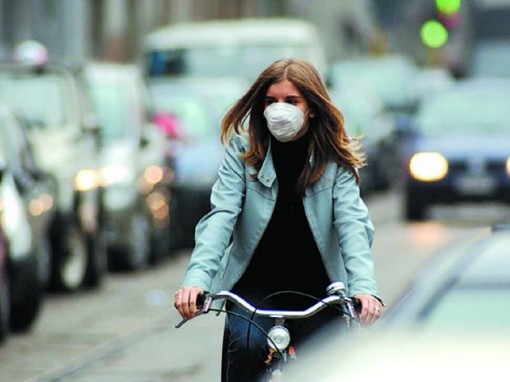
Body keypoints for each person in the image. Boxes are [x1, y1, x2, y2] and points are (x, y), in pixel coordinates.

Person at [174, 58, 383, 381]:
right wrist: (196, 281)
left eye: (291, 101)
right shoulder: (242, 153)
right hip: (253, 292)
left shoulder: (334, 160)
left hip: (321, 292)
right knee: (244, 349)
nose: (278, 109)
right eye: (271, 101)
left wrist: (364, 290)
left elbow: (352, 226)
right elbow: (220, 218)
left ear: (311, 107)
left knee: (332, 364)